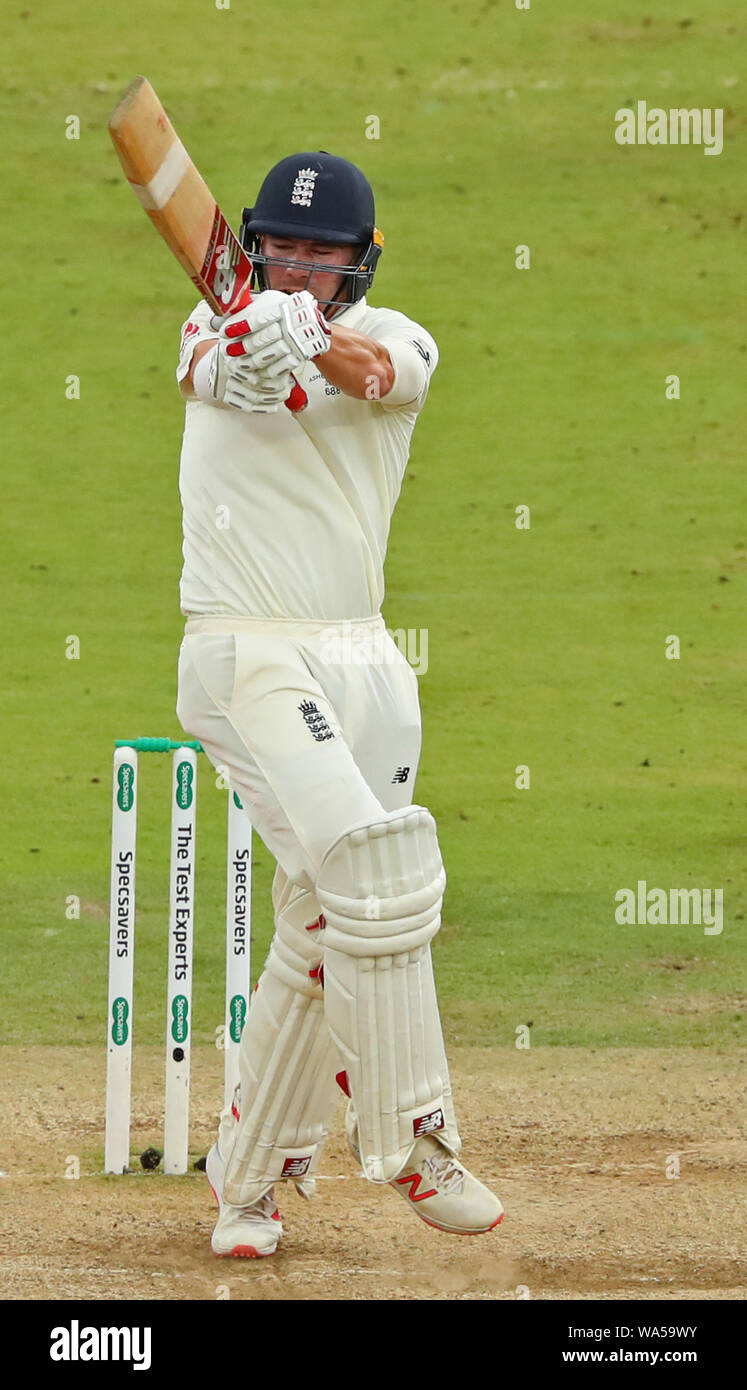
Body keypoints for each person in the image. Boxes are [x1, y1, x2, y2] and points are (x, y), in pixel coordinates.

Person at [174, 151, 503, 1256]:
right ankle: (416, 1140)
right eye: (283, 247)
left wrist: (305, 331)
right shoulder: (208, 327)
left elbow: (370, 372)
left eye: (325, 252)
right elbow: (226, 371)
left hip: (365, 662)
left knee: (323, 922)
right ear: (254, 243)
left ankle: (246, 1186)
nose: (302, 267)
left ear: (363, 260)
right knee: (373, 868)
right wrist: (259, 334)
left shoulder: (403, 335)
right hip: (246, 651)